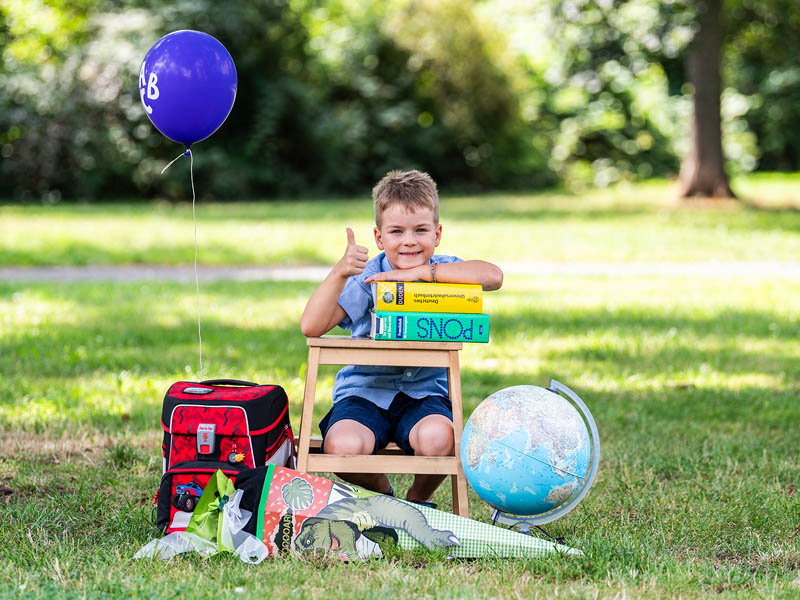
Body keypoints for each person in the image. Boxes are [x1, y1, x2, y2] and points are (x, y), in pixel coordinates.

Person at [300, 169, 503, 506]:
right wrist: (340, 272)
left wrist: (424, 273)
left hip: (425, 395)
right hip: (363, 393)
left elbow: (493, 277)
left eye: (420, 230)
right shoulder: (370, 276)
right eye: (397, 231)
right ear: (379, 238)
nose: (409, 241)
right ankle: (386, 498)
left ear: (437, 234)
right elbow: (311, 326)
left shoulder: (445, 270)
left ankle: (418, 500)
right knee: (343, 447)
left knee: (440, 440)